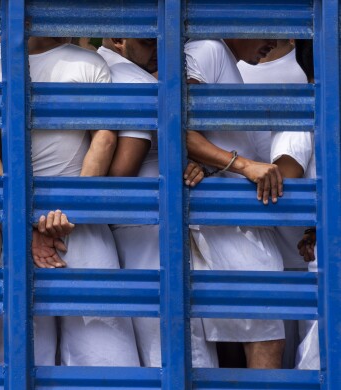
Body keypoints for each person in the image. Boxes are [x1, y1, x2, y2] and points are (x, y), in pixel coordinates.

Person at [0, 37, 140, 367]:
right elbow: (103, 141)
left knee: (22, 362)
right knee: (103, 362)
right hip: (80, 230)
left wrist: (29, 221)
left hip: (20, 235)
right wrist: (68, 213)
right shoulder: (88, 64)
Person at [97, 37, 217, 368]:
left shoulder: (95, 68)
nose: (157, 53)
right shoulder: (133, 79)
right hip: (148, 220)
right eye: (149, 43)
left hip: (118, 227)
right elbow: (123, 171)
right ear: (120, 40)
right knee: (172, 339)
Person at [185, 38, 287, 369]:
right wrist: (241, 165)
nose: (276, 40)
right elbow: (176, 125)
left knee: (251, 337)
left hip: (241, 221)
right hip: (228, 222)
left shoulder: (227, 63)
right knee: (265, 336)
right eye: (267, 28)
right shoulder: (208, 49)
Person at [270, 39, 318, 370]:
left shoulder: (303, 112)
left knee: (318, 361)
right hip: (316, 253)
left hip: (321, 261)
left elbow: (281, 177)